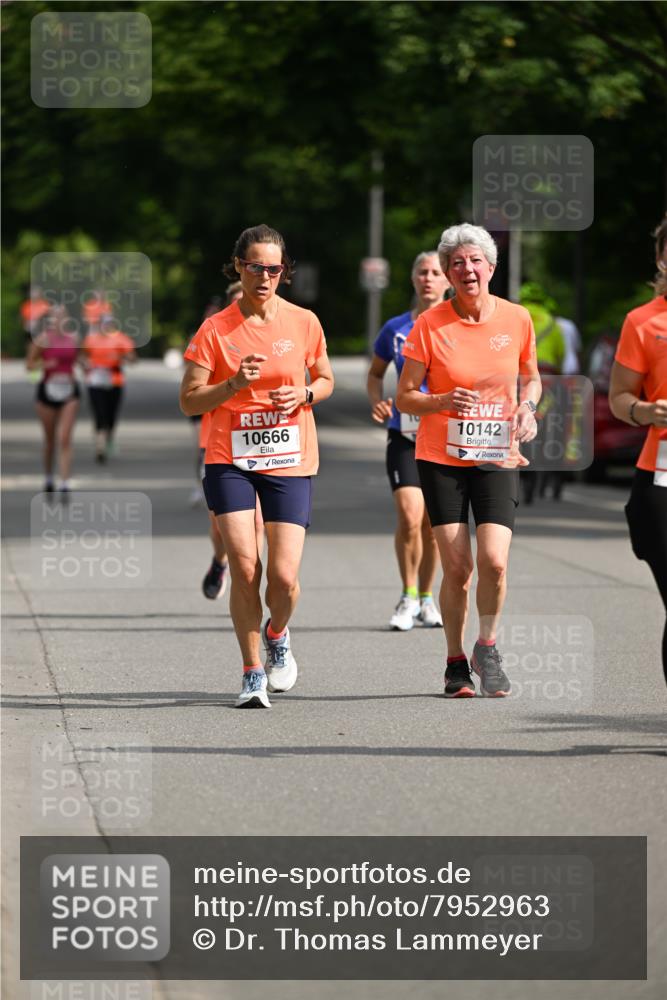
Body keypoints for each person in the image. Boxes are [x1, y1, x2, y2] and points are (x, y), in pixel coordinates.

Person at [180, 224, 334, 708]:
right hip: (231, 459)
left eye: (273, 268)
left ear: (283, 272)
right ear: (238, 268)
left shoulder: (304, 322)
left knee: (283, 578)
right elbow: (188, 401)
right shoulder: (215, 329)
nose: (264, 276)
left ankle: (277, 632)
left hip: (289, 456)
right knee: (245, 567)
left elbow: (326, 378)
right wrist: (231, 386)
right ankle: (251, 674)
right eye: (255, 267)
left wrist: (306, 393)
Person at [396, 223, 540, 698]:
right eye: (456, 263)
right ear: (447, 273)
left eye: (475, 260)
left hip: (497, 453)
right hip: (441, 457)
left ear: (491, 267)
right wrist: (439, 402)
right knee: (458, 568)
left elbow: (531, 379)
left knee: (495, 563)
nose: (466, 269)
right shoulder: (429, 325)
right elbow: (405, 397)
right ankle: (455, 661)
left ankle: (487, 646)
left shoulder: (517, 319)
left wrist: (527, 408)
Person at [367, 252, 449, 630]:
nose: (429, 278)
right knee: (408, 516)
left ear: (447, 280)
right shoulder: (396, 328)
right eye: (422, 272)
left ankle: (427, 598)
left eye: (436, 272)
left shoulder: (458, 326)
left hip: (444, 436)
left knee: (434, 524)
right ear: (413, 279)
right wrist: (377, 402)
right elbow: (375, 374)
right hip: (404, 435)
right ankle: (407, 594)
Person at [609, 214, 667, 686]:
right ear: (661, 258)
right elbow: (620, 398)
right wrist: (646, 412)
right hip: (661, 482)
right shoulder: (643, 322)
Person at [25, 304, 81, 499]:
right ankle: (49, 477)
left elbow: (79, 360)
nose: (58, 321)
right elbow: (29, 365)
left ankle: (65, 483)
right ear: (50, 320)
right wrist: (44, 364)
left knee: (65, 438)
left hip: (69, 391)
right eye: (55, 318)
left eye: (62, 317)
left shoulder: (73, 339)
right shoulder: (42, 339)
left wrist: (85, 366)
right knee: (50, 442)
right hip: (47, 391)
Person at [518, 283, 567, 503]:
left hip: (521, 378)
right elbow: (561, 355)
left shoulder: (517, 316)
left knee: (520, 422)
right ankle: (548, 476)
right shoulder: (552, 323)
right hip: (547, 380)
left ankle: (524, 476)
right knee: (551, 428)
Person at [82, 314, 136, 462]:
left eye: (109, 324)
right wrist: (85, 365)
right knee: (99, 413)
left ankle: (109, 437)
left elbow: (132, 357)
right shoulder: (91, 339)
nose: (106, 326)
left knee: (111, 415)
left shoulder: (120, 339)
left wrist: (122, 358)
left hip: (114, 380)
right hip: (95, 380)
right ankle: (100, 446)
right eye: (103, 324)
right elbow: (82, 356)